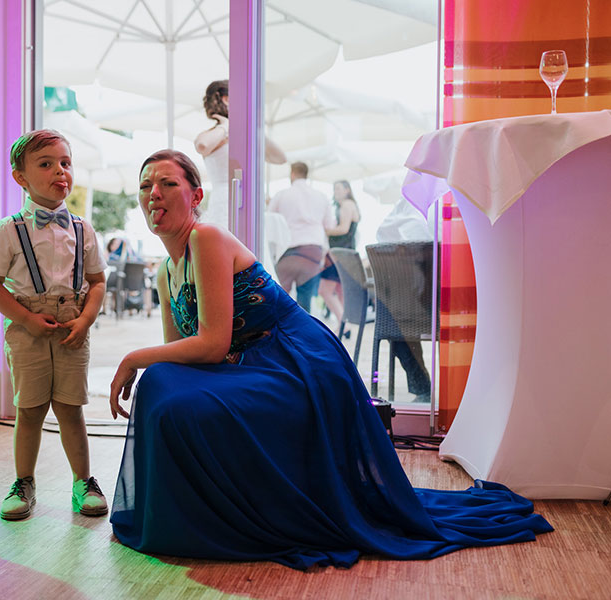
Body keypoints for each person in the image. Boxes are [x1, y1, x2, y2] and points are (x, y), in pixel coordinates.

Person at [107, 149, 552, 569]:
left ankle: (231, 514)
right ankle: (187, 512)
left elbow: (212, 344)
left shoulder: (206, 238)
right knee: (161, 384)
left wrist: (133, 357)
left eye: (167, 183)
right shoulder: (166, 272)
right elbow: (177, 356)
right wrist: (148, 365)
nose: (154, 194)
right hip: (248, 362)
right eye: (146, 185)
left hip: (294, 358)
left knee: (159, 382)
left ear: (195, 196)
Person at [0, 129, 109, 521]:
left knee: (71, 408)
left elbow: (99, 281)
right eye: (46, 164)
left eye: (65, 163)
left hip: (73, 324)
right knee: (30, 409)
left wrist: (85, 320)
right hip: (27, 327)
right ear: (21, 177)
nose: (60, 171)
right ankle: (23, 482)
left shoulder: (84, 229)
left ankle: (82, 481)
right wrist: (26, 319)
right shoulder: (10, 229)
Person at [193, 79, 286, 230]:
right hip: (225, 201)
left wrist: (255, 128)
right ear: (227, 99)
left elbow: (280, 158)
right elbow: (202, 145)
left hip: (251, 201)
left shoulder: (247, 135)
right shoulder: (214, 134)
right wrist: (225, 125)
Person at [375, 199, 437, 403]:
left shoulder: (403, 217)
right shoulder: (424, 218)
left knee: (393, 321)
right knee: (396, 320)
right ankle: (423, 387)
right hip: (428, 304)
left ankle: (422, 386)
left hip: (406, 308)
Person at [269, 161, 335, 315]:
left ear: (292, 174)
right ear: (306, 174)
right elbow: (329, 226)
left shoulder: (282, 194)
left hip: (288, 249)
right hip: (313, 250)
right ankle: (301, 336)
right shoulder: (322, 197)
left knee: (280, 296)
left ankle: (279, 335)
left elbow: (269, 217)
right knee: (304, 302)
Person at [317, 179, 362, 324]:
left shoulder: (347, 205)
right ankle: (345, 325)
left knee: (324, 290)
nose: (335, 192)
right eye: (334, 189)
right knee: (340, 290)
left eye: (338, 189)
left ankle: (344, 324)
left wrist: (325, 230)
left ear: (347, 190)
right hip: (345, 254)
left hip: (340, 254)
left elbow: (344, 229)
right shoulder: (348, 205)